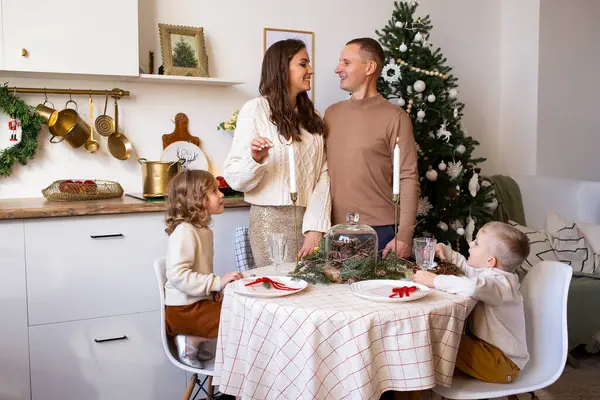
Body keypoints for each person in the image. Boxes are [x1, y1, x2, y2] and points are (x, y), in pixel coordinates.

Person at [223, 39, 331, 267]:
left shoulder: (314, 117)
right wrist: (255, 159)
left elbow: (324, 175)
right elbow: (234, 179)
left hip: (308, 220)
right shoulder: (255, 110)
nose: (310, 70)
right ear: (283, 68)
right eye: (303, 64)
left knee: (312, 293)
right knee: (278, 290)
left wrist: (316, 227)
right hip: (269, 221)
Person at [324, 37, 419, 258]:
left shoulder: (396, 117)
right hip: (334, 230)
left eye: (346, 62)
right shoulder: (331, 114)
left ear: (369, 67)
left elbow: (408, 177)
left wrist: (404, 235)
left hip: (381, 232)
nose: (338, 69)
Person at [414, 221, 531, 384]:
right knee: (434, 344)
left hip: (503, 363)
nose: (470, 243)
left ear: (491, 261)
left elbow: (473, 286)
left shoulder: (500, 285)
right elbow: (470, 271)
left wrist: (435, 280)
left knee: (434, 340)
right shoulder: (491, 276)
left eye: (476, 243)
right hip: (489, 352)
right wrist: (447, 251)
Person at [163, 169, 243, 368]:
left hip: (195, 304)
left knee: (238, 309)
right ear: (196, 200)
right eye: (215, 191)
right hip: (184, 311)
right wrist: (216, 282)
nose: (222, 194)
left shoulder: (203, 231)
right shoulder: (184, 232)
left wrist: (213, 291)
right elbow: (177, 275)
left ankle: (199, 339)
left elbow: (199, 271)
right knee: (239, 318)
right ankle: (191, 339)